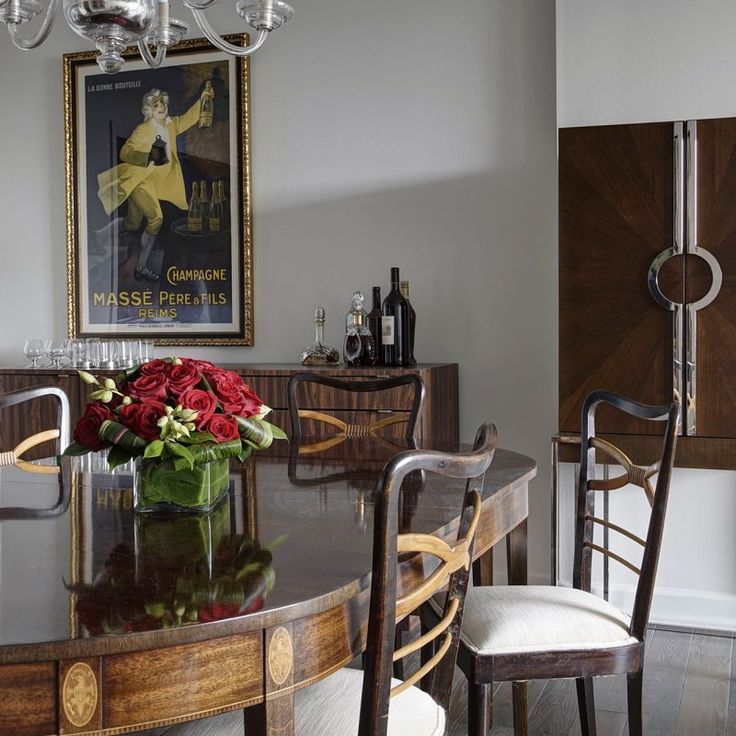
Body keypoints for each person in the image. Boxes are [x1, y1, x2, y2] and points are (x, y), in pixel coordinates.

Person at [96, 83, 214, 281]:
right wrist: (147, 156)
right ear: (149, 110)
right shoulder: (143, 130)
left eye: (163, 103)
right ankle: (142, 266)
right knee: (156, 219)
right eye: (157, 104)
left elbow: (188, 119)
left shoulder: (170, 124)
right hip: (142, 180)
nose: (162, 107)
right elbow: (126, 152)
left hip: (160, 183)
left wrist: (203, 100)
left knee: (132, 223)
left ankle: (98, 236)